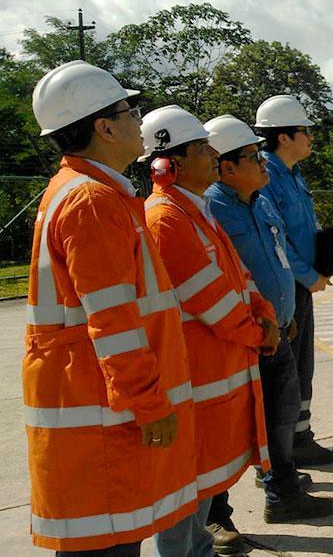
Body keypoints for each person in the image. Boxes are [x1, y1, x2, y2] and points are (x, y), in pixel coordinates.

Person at [24, 61, 197, 555]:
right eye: (130, 110)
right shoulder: (92, 202)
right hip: (97, 416)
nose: (139, 120)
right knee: (106, 542)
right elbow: (113, 320)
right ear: (103, 127)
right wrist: (147, 402)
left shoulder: (92, 194)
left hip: (96, 407)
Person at [140, 106, 279, 554]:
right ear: (170, 163)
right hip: (196, 382)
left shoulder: (195, 210)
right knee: (187, 492)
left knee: (201, 487)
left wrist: (264, 312)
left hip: (216, 379)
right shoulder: (166, 218)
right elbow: (210, 301)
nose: (212, 155)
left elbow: (238, 276)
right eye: (202, 148)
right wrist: (260, 333)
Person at [206, 114, 333, 526]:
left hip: (276, 323)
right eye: (252, 156)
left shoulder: (260, 198)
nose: (261, 161)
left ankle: (283, 491)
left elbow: (280, 249)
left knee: (280, 412)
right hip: (244, 333)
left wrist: (285, 310)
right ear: (227, 167)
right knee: (231, 425)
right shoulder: (212, 208)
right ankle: (217, 518)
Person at [254, 95, 333, 467]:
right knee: (288, 370)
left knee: (303, 365)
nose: (310, 137)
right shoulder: (268, 176)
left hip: (302, 284)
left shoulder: (292, 174)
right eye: (304, 131)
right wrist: (308, 275)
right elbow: (275, 239)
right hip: (288, 284)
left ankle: (300, 436)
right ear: (284, 137)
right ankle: (286, 448)